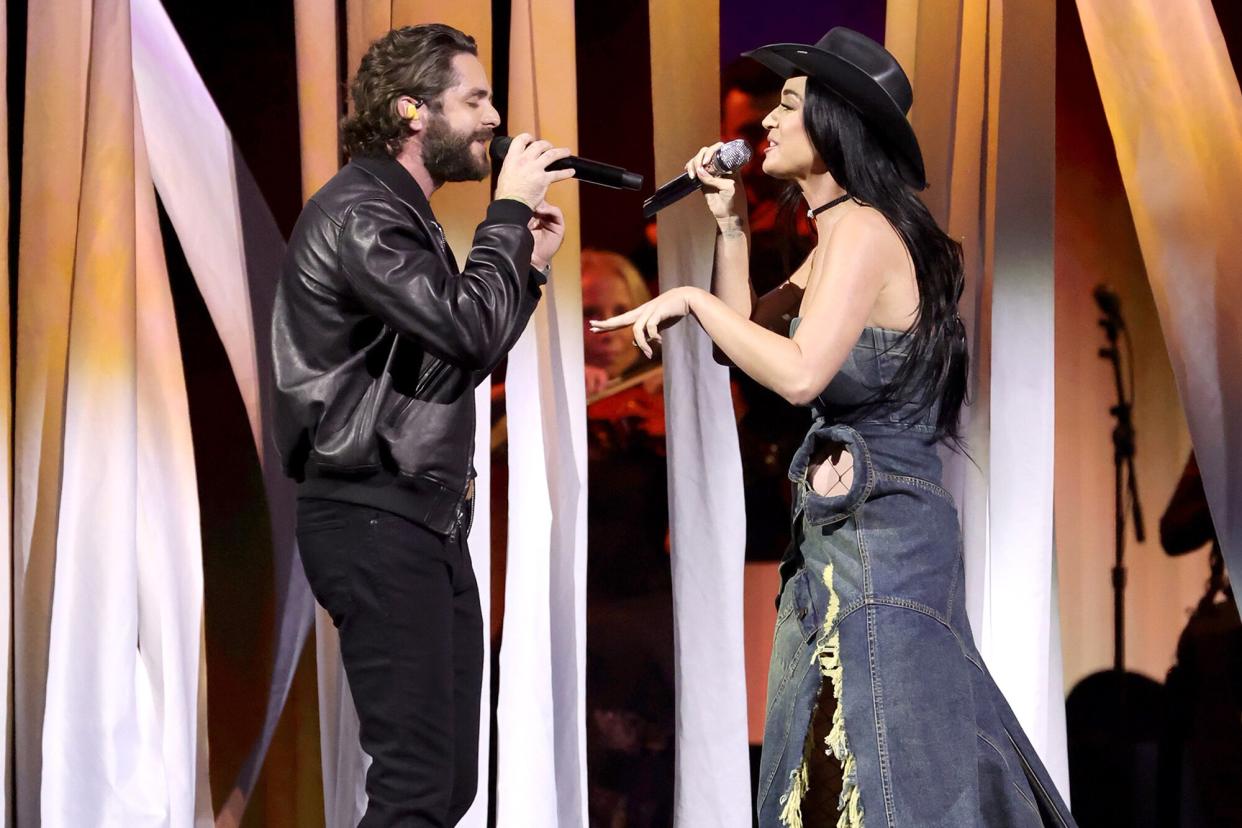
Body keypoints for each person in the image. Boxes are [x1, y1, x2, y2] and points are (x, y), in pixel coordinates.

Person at [592, 27, 1076, 826]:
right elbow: (743, 346)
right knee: (821, 772)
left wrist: (689, 300)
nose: (765, 125)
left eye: (786, 105)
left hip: (888, 547)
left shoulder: (867, 232)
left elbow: (798, 372)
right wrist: (731, 227)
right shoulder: (832, 242)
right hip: (834, 549)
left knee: (890, 780)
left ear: (835, 123)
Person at [271, 24, 572, 827]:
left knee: (445, 789)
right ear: (412, 111)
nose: (492, 117)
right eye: (474, 98)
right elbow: (465, 331)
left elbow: (453, 360)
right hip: (373, 515)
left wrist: (527, 268)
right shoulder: (365, 212)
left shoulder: (401, 214)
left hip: (421, 522)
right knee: (413, 793)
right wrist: (507, 213)